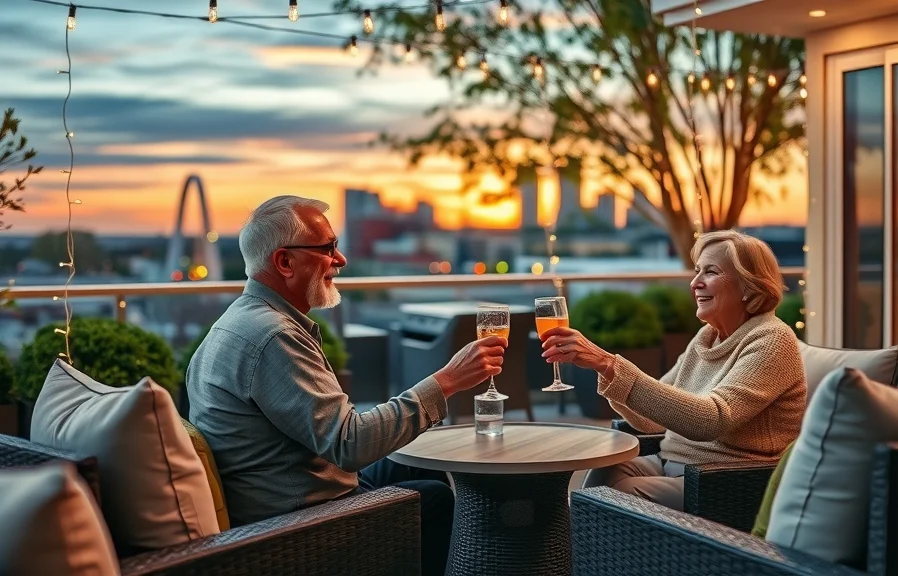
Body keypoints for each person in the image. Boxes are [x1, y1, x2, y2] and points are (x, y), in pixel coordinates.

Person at [186, 196, 507, 576]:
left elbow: (336, 436)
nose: (340, 260)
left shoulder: (236, 322)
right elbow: (349, 444)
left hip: (300, 492)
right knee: (434, 499)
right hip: (298, 524)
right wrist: (447, 380)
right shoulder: (274, 338)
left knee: (421, 469)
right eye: (327, 248)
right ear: (285, 262)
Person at [539, 229, 806, 511]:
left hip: (723, 480)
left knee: (610, 498)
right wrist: (605, 370)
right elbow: (653, 422)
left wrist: (608, 362)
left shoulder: (772, 339)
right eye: (697, 271)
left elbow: (711, 420)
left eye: (710, 272)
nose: (695, 283)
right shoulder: (706, 337)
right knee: (603, 475)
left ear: (749, 286)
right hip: (672, 465)